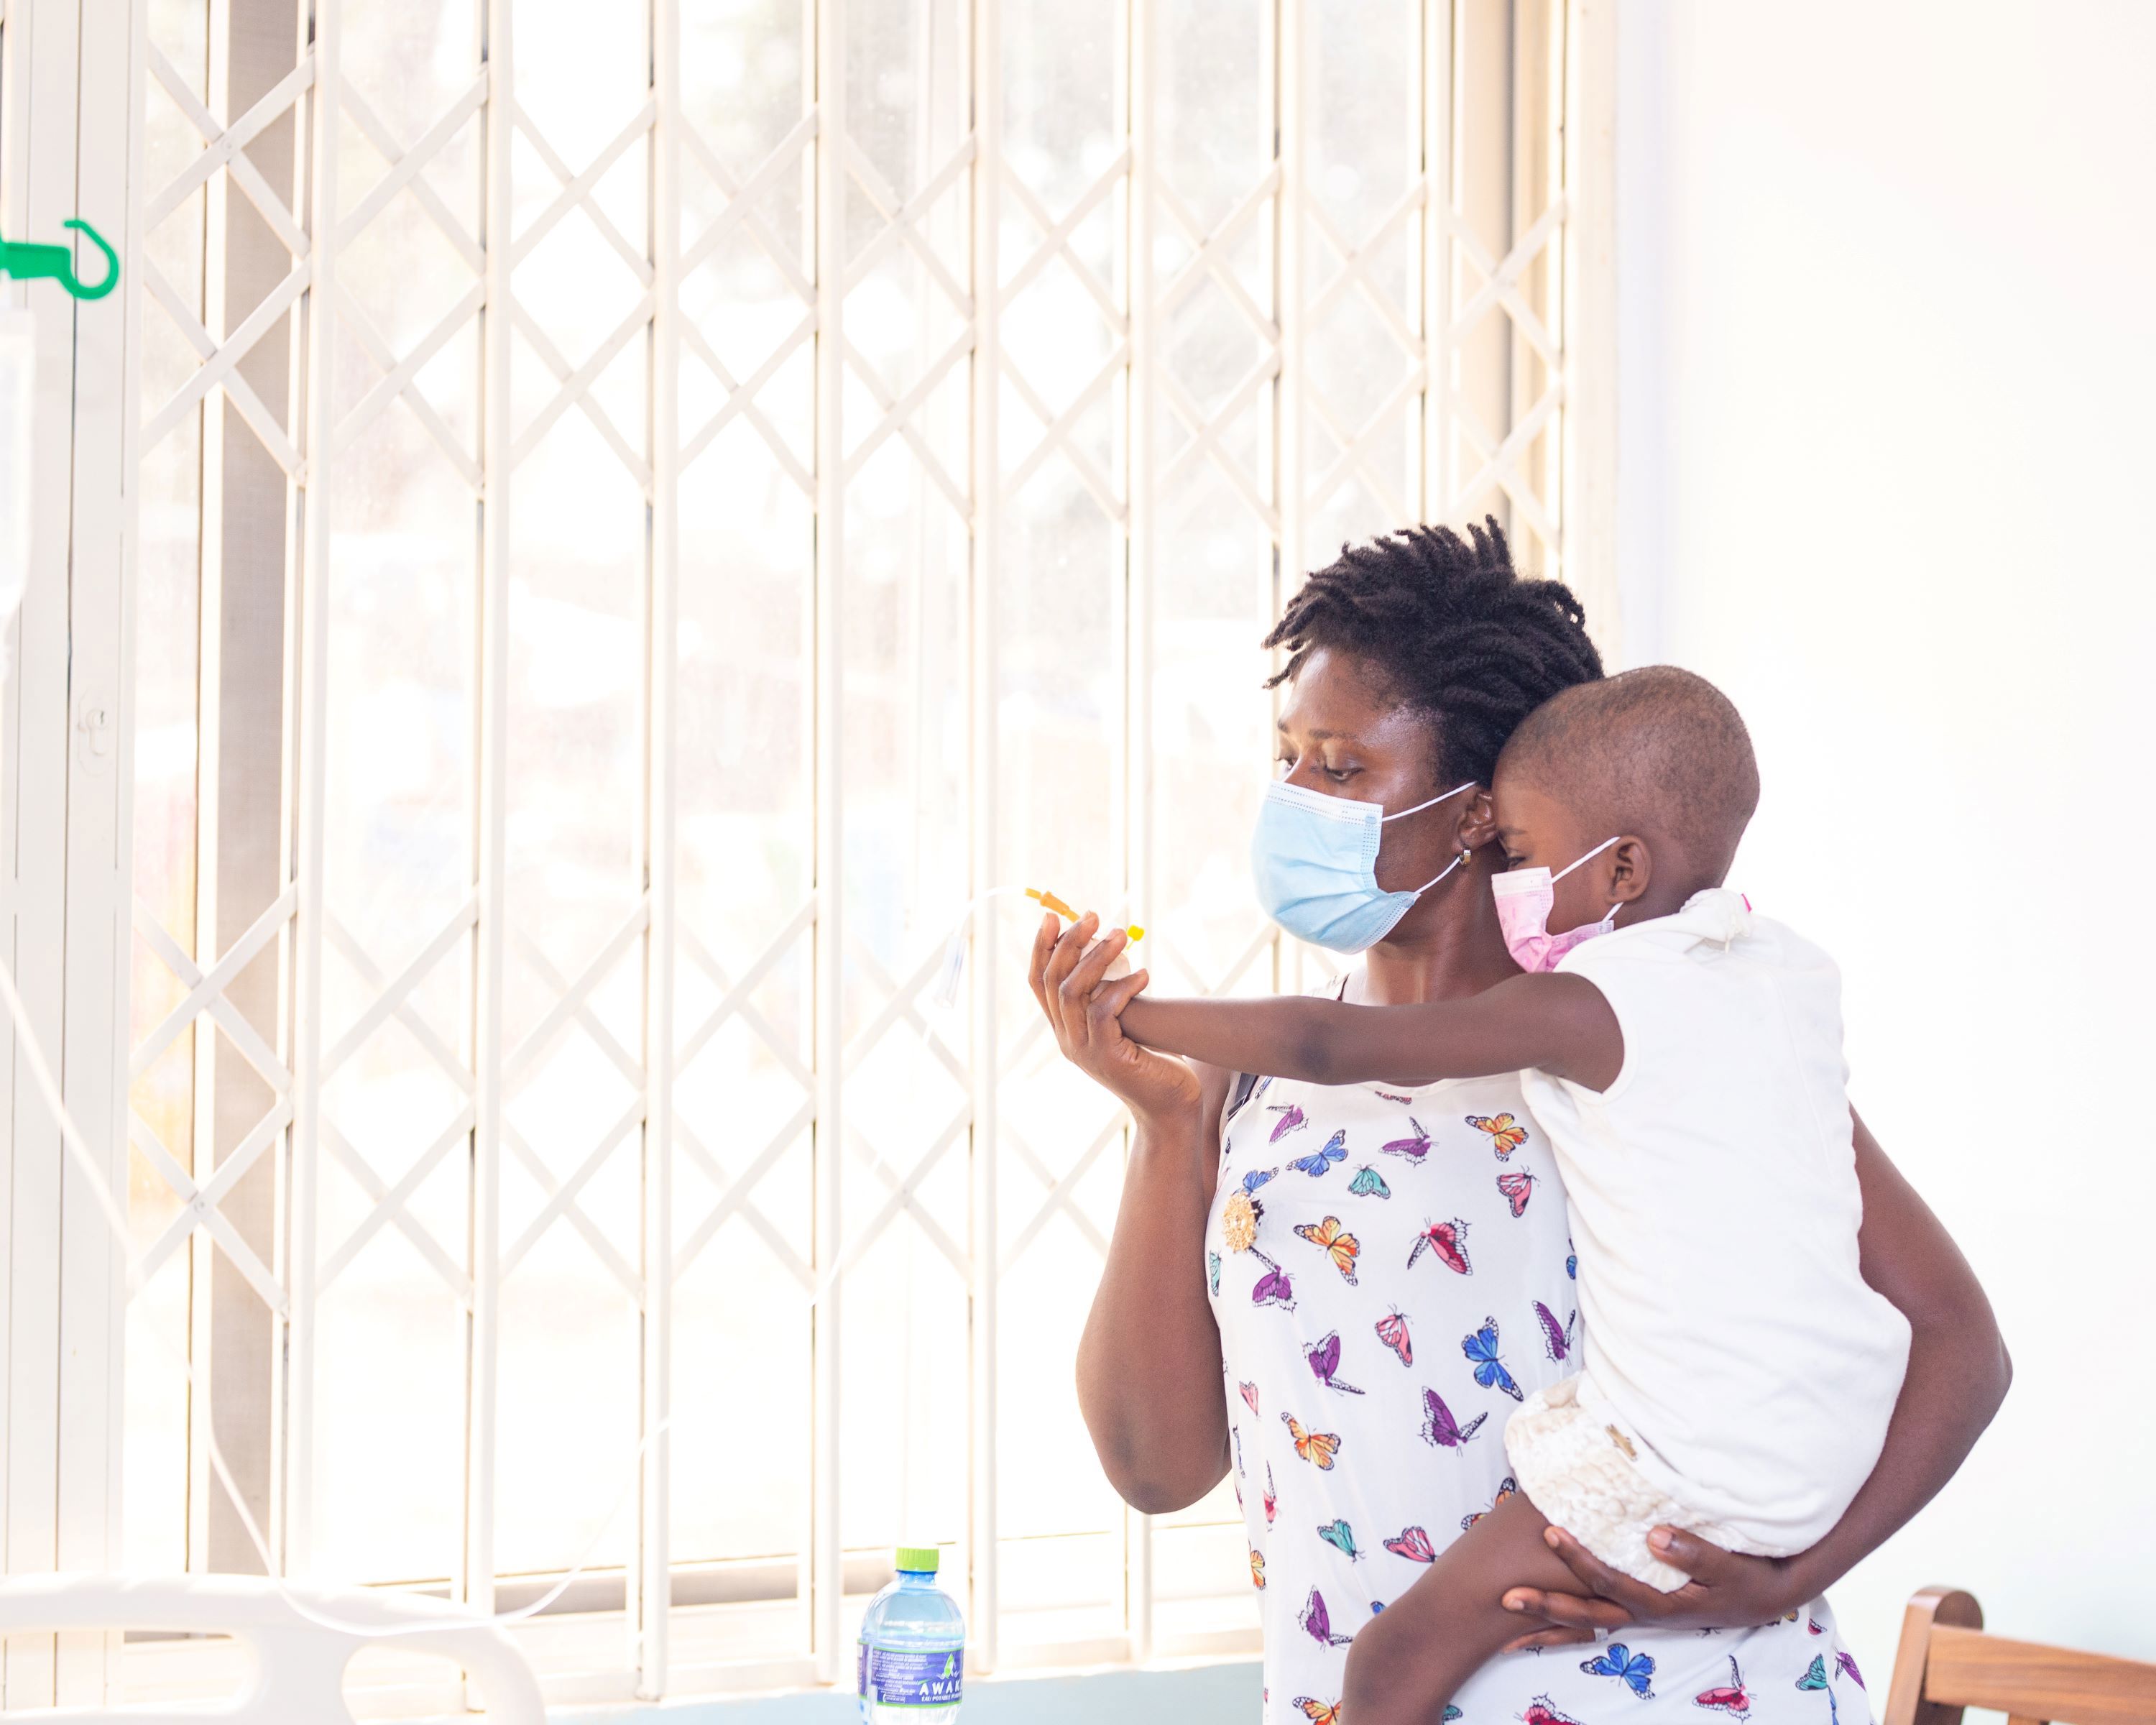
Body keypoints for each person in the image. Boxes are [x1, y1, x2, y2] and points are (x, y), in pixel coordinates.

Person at [1029, 522, 2010, 1725]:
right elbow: (1154, 1469)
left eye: (1339, 768)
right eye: (1285, 757)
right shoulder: (1255, 1085)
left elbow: (1957, 1335)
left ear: (1478, 811)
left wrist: (1799, 1573)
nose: (1293, 800)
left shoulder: (1657, 1048)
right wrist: (1167, 1132)